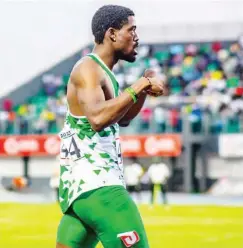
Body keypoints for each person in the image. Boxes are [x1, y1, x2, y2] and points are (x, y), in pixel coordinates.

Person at [56, 5, 164, 248]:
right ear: (112, 33)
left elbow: (121, 118)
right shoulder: (88, 68)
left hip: (82, 193)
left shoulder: (105, 74)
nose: (136, 37)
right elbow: (97, 119)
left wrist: (143, 90)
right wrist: (140, 84)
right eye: (131, 30)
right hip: (100, 187)